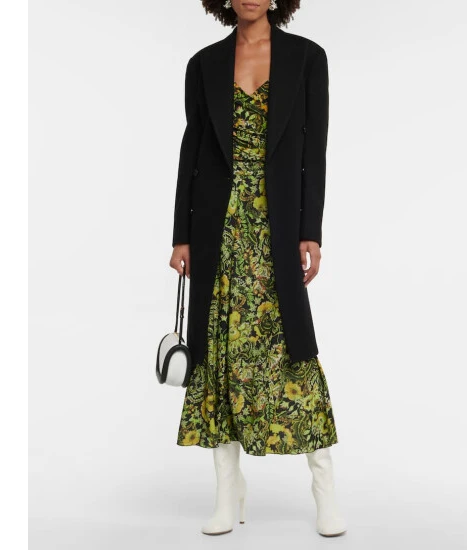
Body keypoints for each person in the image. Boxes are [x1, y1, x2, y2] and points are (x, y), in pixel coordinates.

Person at [169, 0, 347, 537]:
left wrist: (310, 229)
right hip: (217, 228)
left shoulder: (307, 58)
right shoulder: (203, 63)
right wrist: (181, 234)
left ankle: (324, 489)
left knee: (294, 352)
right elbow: (192, 149)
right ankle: (228, 492)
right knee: (218, 355)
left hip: (277, 227)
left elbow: (315, 150)